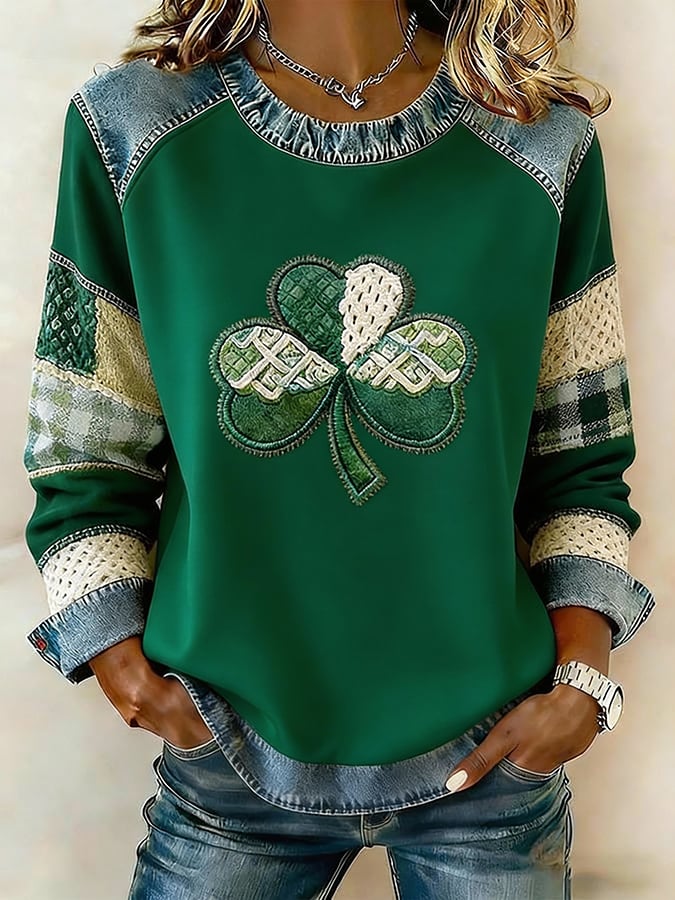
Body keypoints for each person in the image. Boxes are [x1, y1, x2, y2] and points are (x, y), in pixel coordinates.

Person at [22, 0, 657, 897]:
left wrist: (581, 685)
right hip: (225, 750)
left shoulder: (539, 143)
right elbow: (83, 442)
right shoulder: (130, 129)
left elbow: (581, 460)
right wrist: (115, 660)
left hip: (494, 756)